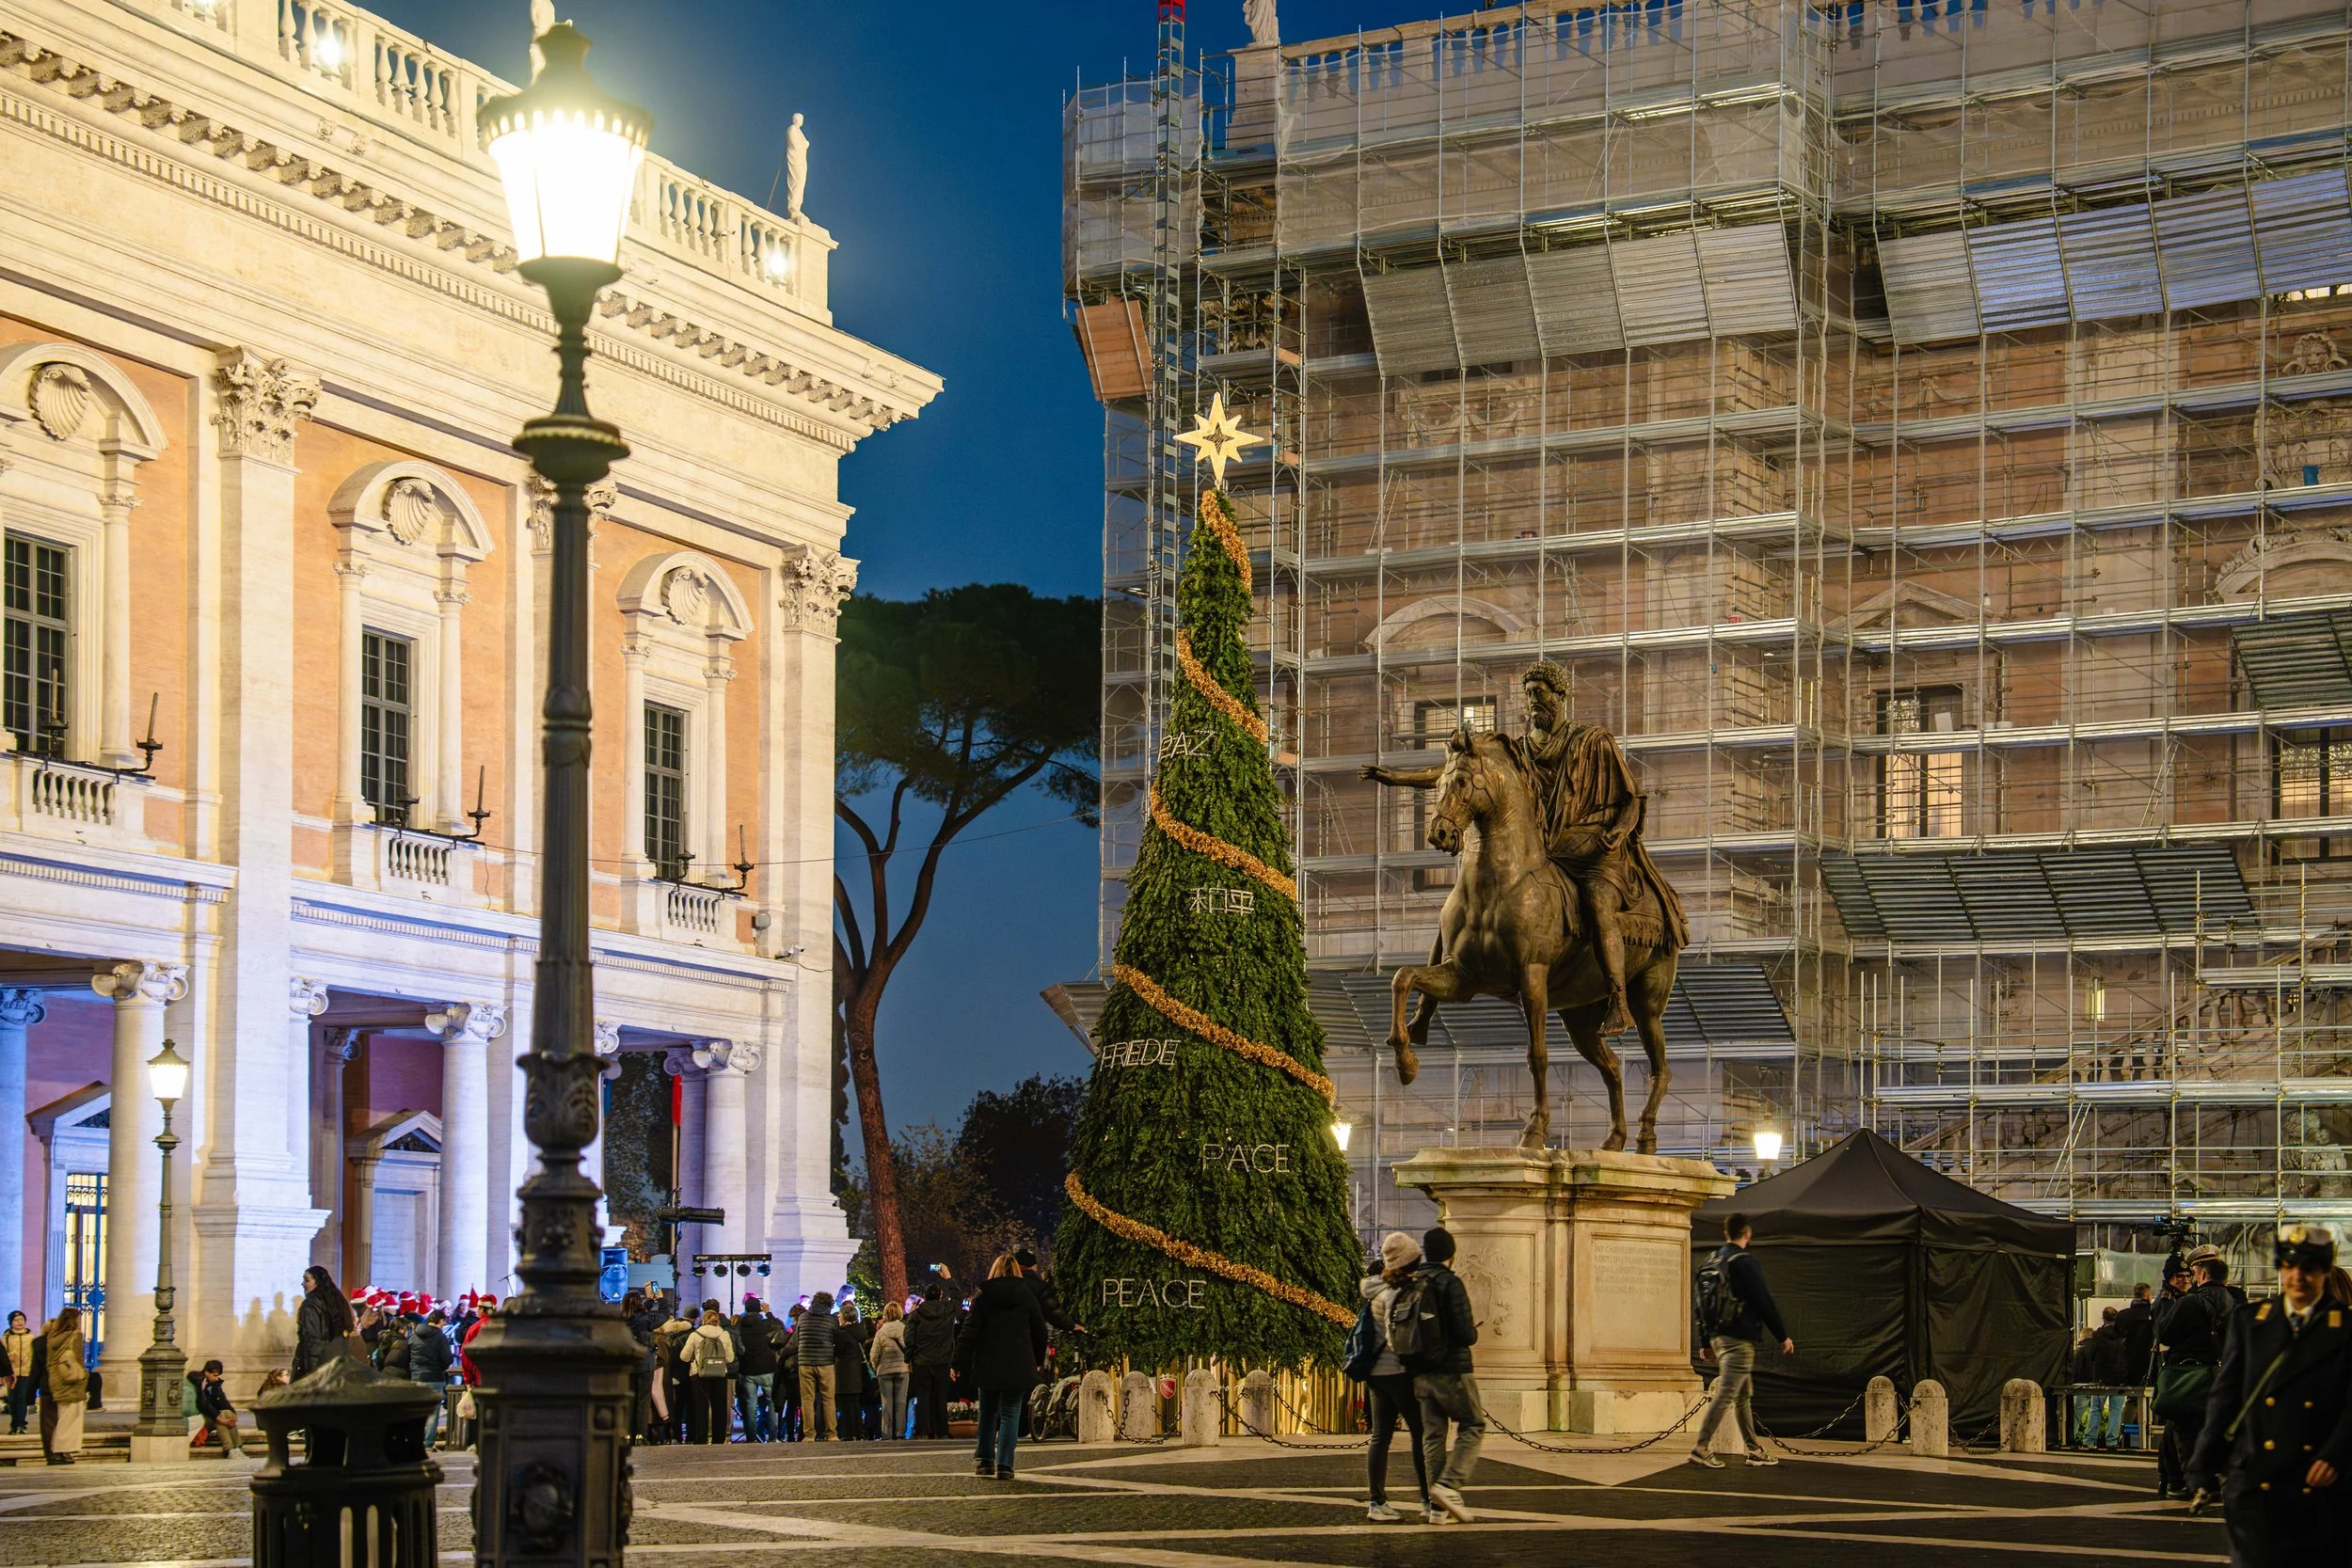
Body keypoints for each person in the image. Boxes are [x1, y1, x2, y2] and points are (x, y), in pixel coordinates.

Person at [2188, 1225, 2352, 1564]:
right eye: (2290, 1268)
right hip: (2257, 1481)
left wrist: (2335, 1455)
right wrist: (2203, 1463)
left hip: (2321, 1482)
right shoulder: (2251, 1321)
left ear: (2324, 1272)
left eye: (2308, 1269)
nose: (2298, 1277)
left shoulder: (2345, 1327)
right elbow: (2225, 1397)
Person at [1690, 1212, 1792, 1470]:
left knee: (1743, 1394)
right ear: (1747, 1234)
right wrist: (1782, 1336)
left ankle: (1754, 1448)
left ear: (1726, 1234)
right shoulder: (1743, 1262)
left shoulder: (1710, 1261)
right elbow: (1763, 1301)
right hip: (1738, 1337)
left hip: (1718, 1338)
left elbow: (1700, 1304)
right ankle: (1701, 1447)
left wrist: (1705, 1340)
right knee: (1726, 1393)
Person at [1409, 1227, 1485, 1523]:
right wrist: (1474, 1330)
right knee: (1473, 1424)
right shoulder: (1449, 1283)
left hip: (1420, 1371)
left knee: (1433, 1435)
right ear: (1452, 1255)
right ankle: (1449, 1485)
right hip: (1451, 1369)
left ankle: (1436, 1509)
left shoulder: (1413, 1283)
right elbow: (1464, 1334)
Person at [2156, 1245, 2244, 1500]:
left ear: (2202, 1274)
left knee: (2183, 1428)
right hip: (2225, 1374)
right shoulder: (2237, 1300)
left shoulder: (2189, 1302)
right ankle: (2215, 1480)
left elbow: (2164, 1334)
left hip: (2189, 1374)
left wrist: (2165, 1300)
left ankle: (2182, 1482)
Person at [956, 1254, 1049, 1481]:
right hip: (1018, 1362)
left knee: (987, 1412)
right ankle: (1005, 1464)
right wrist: (1037, 1359)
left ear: (994, 1270)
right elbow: (1040, 1330)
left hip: (988, 1362)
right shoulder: (1026, 1294)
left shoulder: (983, 1294)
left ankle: (984, 1460)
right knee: (1010, 1414)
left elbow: (970, 1331)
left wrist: (958, 1362)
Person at [1360, 1231, 1431, 1522]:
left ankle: (1377, 1502)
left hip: (1376, 1373)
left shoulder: (1376, 1287)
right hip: (1398, 1372)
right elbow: (1398, 1335)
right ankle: (1429, 1501)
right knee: (1420, 1435)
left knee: (1380, 1437)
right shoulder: (1399, 1292)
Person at [906, 1284, 959, 1439]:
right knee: (940, 1397)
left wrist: (908, 1357)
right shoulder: (947, 1310)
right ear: (940, 1295)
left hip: (922, 1360)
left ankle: (923, 1429)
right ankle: (941, 1430)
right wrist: (949, 1280)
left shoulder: (916, 1314)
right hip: (942, 1360)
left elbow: (909, 1337)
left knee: (923, 1396)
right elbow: (958, 1299)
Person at [39, 1307, 86, 1465]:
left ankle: (57, 1449)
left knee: (62, 1416)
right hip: (71, 1380)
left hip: (56, 1379)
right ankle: (63, 1449)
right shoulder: (75, 1336)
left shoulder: (52, 1337)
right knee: (70, 1417)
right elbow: (78, 1360)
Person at [293, 1265, 357, 1380]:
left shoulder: (310, 1306)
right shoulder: (338, 1303)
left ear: (318, 1282)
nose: (303, 1284)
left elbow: (312, 1343)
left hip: (318, 1370)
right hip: (336, 1366)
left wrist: (312, 1376)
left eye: (306, 1280)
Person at [683, 1305, 736, 1443]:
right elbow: (730, 1358)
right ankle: (719, 1439)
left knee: (701, 1407)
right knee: (719, 1407)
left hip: (699, 1374)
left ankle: (701, 1438)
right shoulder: (724, 1334)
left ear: (703, 1320)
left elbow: (684, 1357)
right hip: (719, 1373)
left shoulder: (695, 1335)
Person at [735, 1297, 782, 1442]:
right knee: (771, 1403)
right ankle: (773, 1436)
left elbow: (737, 1343)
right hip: (767, 1366)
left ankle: (751, 1437)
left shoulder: (739, 1325)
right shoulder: (765, 1323)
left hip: (747, 1368)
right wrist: (769, 1313)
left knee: (750, 1404)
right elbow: (779, 1327)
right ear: (759, 1308)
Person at [796, 1291, 839, 1441]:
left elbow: (796, 1338)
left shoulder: (803, 1317)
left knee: (807, 1399)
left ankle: (809, 1434)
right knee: (828, 1398)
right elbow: (837, 1339)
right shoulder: (831, 1320)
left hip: (805, 1362)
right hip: (825, 1362)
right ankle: (831, 1434)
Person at [409, 1309, 453, 1445]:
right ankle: (428, 1443)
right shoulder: (440, 1336)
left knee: (417, 1412)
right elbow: (447, 1359)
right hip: (434, 1377)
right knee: (433, 1413)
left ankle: (415, 1441)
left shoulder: (415, 1335)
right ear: (441, 1321)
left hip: (416, 1377)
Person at [872, 1300, 912, 1439]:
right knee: (901, 1402)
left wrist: (877, 1367)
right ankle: (900, 1432)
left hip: (885, 1371)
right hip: (902, 1369)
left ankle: (887, 1433)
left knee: (887, 1403)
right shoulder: (905, 1329)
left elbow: (874, 1354)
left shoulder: (881, 1332)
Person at [834, 1299, 870, 1440]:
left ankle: (848, 1432)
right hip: (857, 1371)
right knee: (856, 1403)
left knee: (845, 1404)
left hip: (844, 1372)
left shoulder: (841, 1334)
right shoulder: (860, 1331)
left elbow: (837, 1351)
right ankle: (859, 1431)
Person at [188, 1360, 239, 1452]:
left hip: (211, 1416)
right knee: (220, 1420)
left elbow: (222, 1400)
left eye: (218, 1375)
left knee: (227, 1413)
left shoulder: (215, 1384)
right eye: (214, 1375)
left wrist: (233, 1413)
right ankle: (232, 1449)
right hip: (202, 1417)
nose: (216, 1378)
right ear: (206, 1372)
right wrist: (219, 1418)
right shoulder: (199, 1382)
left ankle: (236, 1448)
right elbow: (204, 1405)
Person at [3, 1309, 33, 1434]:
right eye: (16, 1320)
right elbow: (2, 1354)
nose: (19, 1322)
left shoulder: (30, 1337)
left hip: (26, 1372)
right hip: (11, 1373)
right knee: (12, 1399)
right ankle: (14, 1424)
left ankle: (21, 1424)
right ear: (11, 1323)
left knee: (22, 1398)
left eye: (22, 1320)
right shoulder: (6, 1337)